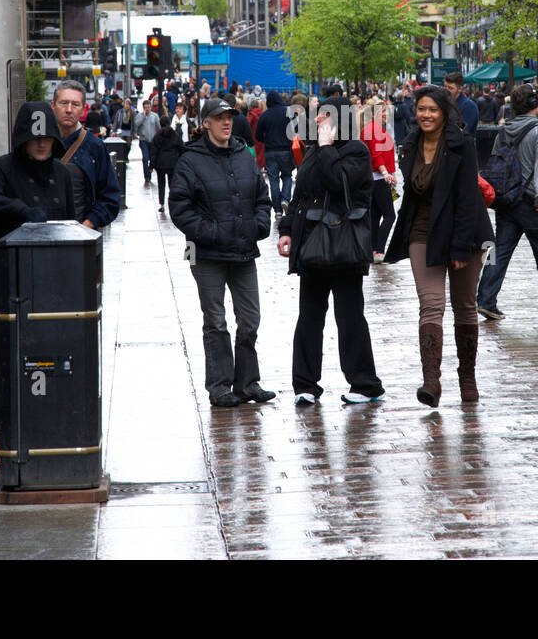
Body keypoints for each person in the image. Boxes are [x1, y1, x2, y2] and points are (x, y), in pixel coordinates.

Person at [0, 102, 78, 451]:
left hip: (50, 283)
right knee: (7, 360)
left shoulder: (63, 174)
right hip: (5, 280)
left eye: (47, 138)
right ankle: (8, 436)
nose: (42, 144)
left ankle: (47, 427)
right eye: (35, 139)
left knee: (50, 358)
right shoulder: (1, 168)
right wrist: (23, 213)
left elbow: (71, 225)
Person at [385, 85, 495, 407]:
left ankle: (467, 376)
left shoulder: (462, 145)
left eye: (433, 110)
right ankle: (431, 380)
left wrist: (460, 248)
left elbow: (466, 199)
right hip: (423, 231)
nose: (427, 115)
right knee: (431, 304)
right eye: (422, 109)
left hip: (465, 233)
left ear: (445, 112)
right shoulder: (410, 145)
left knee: (464, 305)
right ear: (414, 112)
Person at [278, 89, 383, 405]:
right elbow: (301, 194)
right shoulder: (313, 149)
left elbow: (340, 182)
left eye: (323, 115)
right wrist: (286, 230)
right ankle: (305, 384)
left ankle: (364, 384)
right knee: (309, 316)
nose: (316, 120)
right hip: (312, 243)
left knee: (350, 315)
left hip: (344, 245)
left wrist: (325, 148)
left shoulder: (356, 151)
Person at [168, 98, 275, 408]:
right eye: (219, 118)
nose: (226, 122)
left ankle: (247, 383)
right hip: (206, 255)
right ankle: (219, 386)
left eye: (229, 117)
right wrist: (212, 232)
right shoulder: (190, 160)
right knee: (215, 321)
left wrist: (259, 225)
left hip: (243, 251)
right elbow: (179, 208)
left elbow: (262, 198)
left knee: (250, 320)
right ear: (206, 123)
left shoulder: (245, 155)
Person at [475, 83, 538, 322]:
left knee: (499, 250)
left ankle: (485, 300)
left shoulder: (504, 130)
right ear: (532, 104)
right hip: (532, 201)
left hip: (507, 200)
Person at [52, 80, 122, 232]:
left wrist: (87, 226)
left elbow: (110, 197)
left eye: (75, 104)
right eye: (63, 103)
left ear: (83, 109)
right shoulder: (40, 143)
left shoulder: (95, 146)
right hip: (43, 240)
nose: (69, 109)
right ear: (53, 106)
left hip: (81, 242)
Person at [359, 97, 397, 262]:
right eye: (382, 111)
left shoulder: (371, 128)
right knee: (390, 215)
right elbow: (376, 154)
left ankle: (373, 250)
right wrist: (386, 173)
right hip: (378, 178)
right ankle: (379, 250)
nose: (385, 114)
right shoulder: (374, 129)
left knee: (375, 216)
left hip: (373, 178)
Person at [254, 91, 295, 218]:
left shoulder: (265, 115)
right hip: (286, 151)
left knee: (273, 180)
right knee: (287, 176)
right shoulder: (289, 112)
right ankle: (285, 199)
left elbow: (257, 135)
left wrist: (267, 140)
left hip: (270, 151)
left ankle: (277, 210)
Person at [150, 119, 184, 207]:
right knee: (172, 184)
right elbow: (181, 147)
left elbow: (154, 151)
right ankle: (172, 203)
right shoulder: (174, 134)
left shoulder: (157, 136)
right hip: (173, 162)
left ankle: (162, 204)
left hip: (160, 163)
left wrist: (151, 166)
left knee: (161, 184)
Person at [444, 72, 478, 139]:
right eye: (445, 86)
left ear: (459, 89)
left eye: (450, 88)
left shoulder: (469, 106)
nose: (446, 90)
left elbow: (462, 132)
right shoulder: (446, 103)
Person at [135, 99, 161, 185]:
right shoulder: (139, 115)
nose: (147, 109)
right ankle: (147, 176)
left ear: (151, 107)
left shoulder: (155, 116)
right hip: (143, 140)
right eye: (145, 107)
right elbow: (136, 124)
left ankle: (150, 170)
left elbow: (159, 127)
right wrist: (143, 116)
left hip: (153, 141)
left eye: (148, 107)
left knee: (152, 158)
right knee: (145, 158)